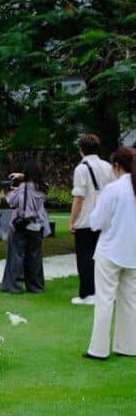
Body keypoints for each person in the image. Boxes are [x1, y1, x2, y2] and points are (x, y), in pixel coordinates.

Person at [84, 147, 136, 360]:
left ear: (116, 166)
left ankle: (98, 349)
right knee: (129, 302)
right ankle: (128, 346)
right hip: (132, 253)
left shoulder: (113, 189)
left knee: (105, 301)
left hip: (110, 251)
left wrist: (96, 206)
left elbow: (97, 223)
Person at [70, 133, 114, 305]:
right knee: (102, 258)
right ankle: (103, 292)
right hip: (105, 219)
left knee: (85, 257)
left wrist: (72, 219)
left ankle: (87, 293)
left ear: (81, 150)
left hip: (86, 219)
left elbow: (78, 197)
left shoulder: (81, 169)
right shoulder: (107, 166)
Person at [1, 162, 49, 294]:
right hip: (37, 226)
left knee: (16, 256)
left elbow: (12, 201)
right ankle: (35, 286)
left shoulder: (23, 187)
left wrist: (10, 190)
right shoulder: (43, 188)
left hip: (21, 225)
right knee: (34, 258)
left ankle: (14, 285)